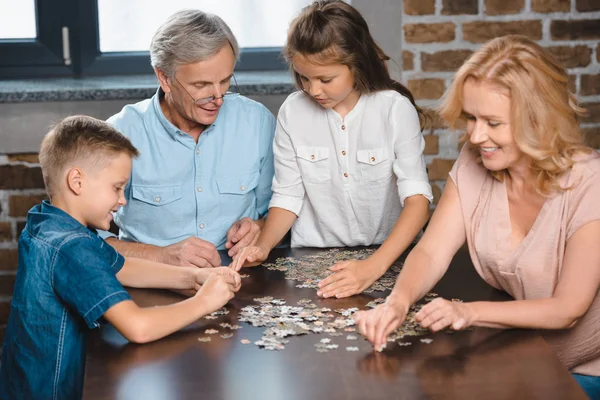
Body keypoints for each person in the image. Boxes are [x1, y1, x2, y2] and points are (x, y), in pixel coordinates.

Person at [354, 35, 600, 399]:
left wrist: (466, 313)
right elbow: (432, 251)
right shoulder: (475, 162)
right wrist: (397, 302)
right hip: (524, 355)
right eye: (471, 117)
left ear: (538, 119)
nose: (475, 134)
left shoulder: (590, 183)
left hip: (587, 371)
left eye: (493, 122)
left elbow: (567, 310)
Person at [0, 116, 242, 399]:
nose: (123, 199)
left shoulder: (49, 220)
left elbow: (120, 266)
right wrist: (204, 301)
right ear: (76, 181)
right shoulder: (71, 246)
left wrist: (194, 276)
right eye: (117, 187)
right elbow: (137, 327)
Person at [231, 0, 432, 299]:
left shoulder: (394, 109)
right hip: (310, 263)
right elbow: (288, 195)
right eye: (304, 77)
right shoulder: (292, 112)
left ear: (357, 64)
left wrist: (371, 268)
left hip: (388, 259)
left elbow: (418, 201)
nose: (313, 90)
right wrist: (264, 245)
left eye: (326, 79)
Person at [102, 9, 276, 267]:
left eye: (225, 81)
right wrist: (161, 255)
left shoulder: (257, 122)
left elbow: (281, 209)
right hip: (150, 283)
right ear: (164, 78)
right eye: (201, 85)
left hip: (241, 280)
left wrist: (260, 228)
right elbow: (83, 239)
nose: (218, 97)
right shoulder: (120, 134)